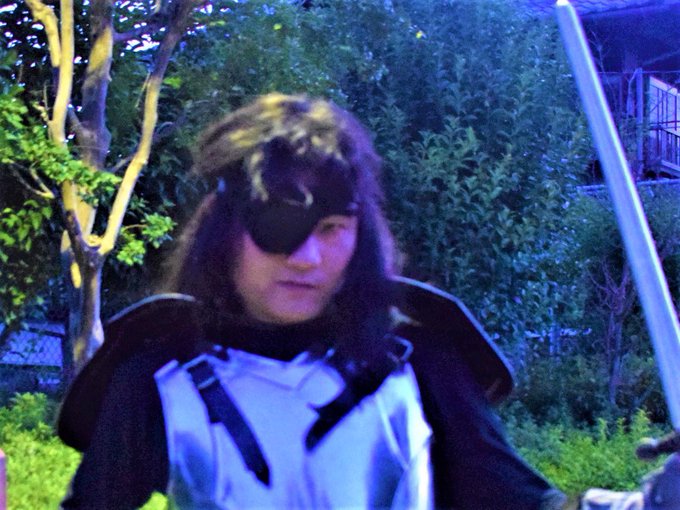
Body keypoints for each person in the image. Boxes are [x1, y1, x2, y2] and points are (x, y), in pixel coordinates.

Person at [58, 93, 566, 509]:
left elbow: (522, 504)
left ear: (360, 235)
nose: (307, 259)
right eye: (278, 223)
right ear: (224, 229)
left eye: (332, 228)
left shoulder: (420, 363)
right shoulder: (159, 372)